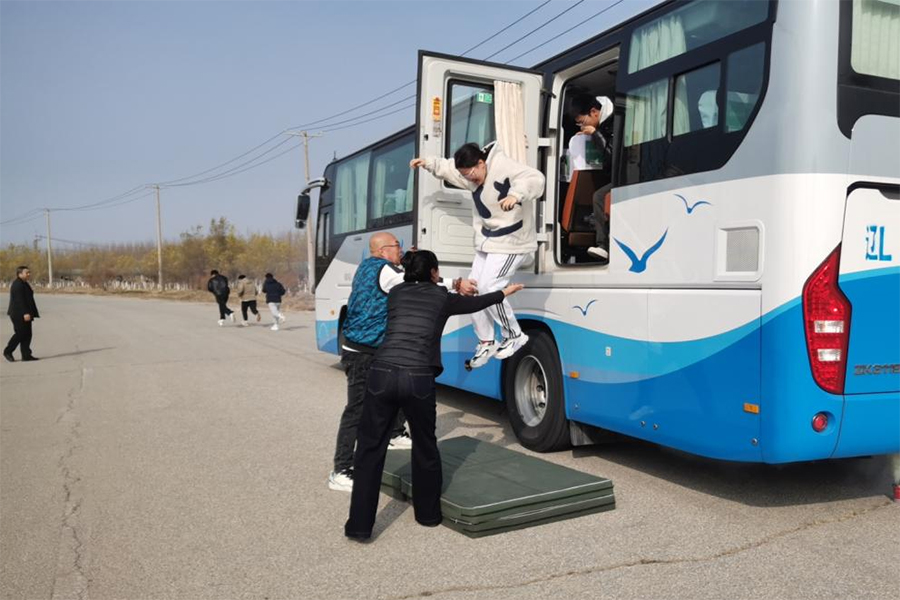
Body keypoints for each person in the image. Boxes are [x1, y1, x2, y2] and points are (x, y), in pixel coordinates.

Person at [345, 250, 523, 540]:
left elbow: (413, 285)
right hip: (417, 376)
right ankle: (427, 515)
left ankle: (359, 526)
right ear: (432, 272)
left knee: (369, 448)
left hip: (382, 372)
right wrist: (505, 292)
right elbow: (478, 302)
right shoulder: (442, 297)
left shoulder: (396, 294)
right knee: (425, 445)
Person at [328, 232, 478, 493]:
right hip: (362, 352)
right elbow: (420, 282)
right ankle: (341, 470)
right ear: (382, 250)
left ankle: (395, 433)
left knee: (396, 385)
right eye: (397, 246)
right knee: (357, 410)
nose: (401, 249)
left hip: (374, 349)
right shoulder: (385, 270)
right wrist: (457, 283)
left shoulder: (368, 266)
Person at [410, 141, 545, 369]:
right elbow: (449, 169)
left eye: (472, 173)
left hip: (512, 241)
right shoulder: (470, 174)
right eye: (466, 176)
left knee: (490, 287)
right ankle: (486, 341)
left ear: (482, 163)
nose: (470, 179)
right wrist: (428, 163)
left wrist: (515, 194)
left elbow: (535, 178)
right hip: (488, 241)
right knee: (471, 290)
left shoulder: (502, 165)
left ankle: (513, 334)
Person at [568, 94, 614, 262]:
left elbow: (612, 157)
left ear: (594, 112)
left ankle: (604, 246)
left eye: (582, 122)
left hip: (629, 176)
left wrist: (595, 134)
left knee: (599, 196)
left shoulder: (612, 124)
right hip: (615, 176)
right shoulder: (603, 126)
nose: (582, 126)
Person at [4, 266, 40, 362]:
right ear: (20, 274)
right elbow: (19, 300)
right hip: (18, 314)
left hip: (25, 313)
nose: (29, 274)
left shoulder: (24, 283)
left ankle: (26, 355)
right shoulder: (17, 285)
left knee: (27, 334)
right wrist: (25, 313)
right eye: (26, 272)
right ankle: (8, 351)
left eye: (29, 272)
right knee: (20, 333)